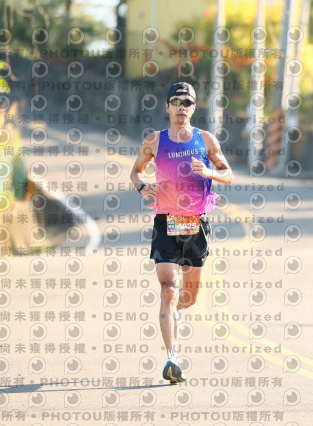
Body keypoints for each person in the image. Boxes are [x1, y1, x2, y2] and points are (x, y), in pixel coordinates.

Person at [129, 82, 233, 384]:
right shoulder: (154, 140)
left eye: (187, 102)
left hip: (196, 223)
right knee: (168, 289)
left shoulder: (206, 139)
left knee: (188, 297)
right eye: (175, 101)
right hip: (166, 222)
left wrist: (209, 172)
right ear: (167, 107)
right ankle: (172, 357)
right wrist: (141, 186)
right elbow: (135, 171)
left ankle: (177, 313)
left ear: (193, 107)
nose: (181, 107)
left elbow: (228, 174)